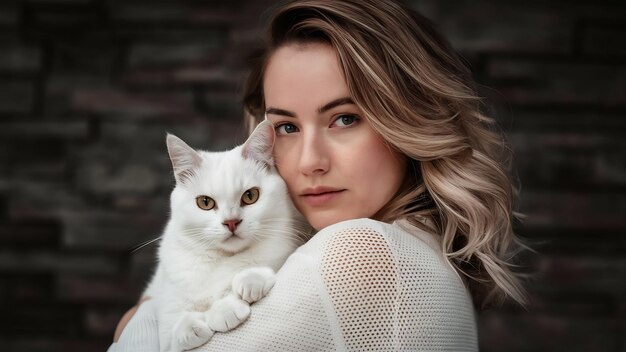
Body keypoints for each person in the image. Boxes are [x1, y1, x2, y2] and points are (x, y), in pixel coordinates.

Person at [109, 0, 527, 350]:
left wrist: (140, 314)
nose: (310, 161)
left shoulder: (363, 253)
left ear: (411, 120)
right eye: (287, 127)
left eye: (344, 119)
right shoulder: (417, 245)